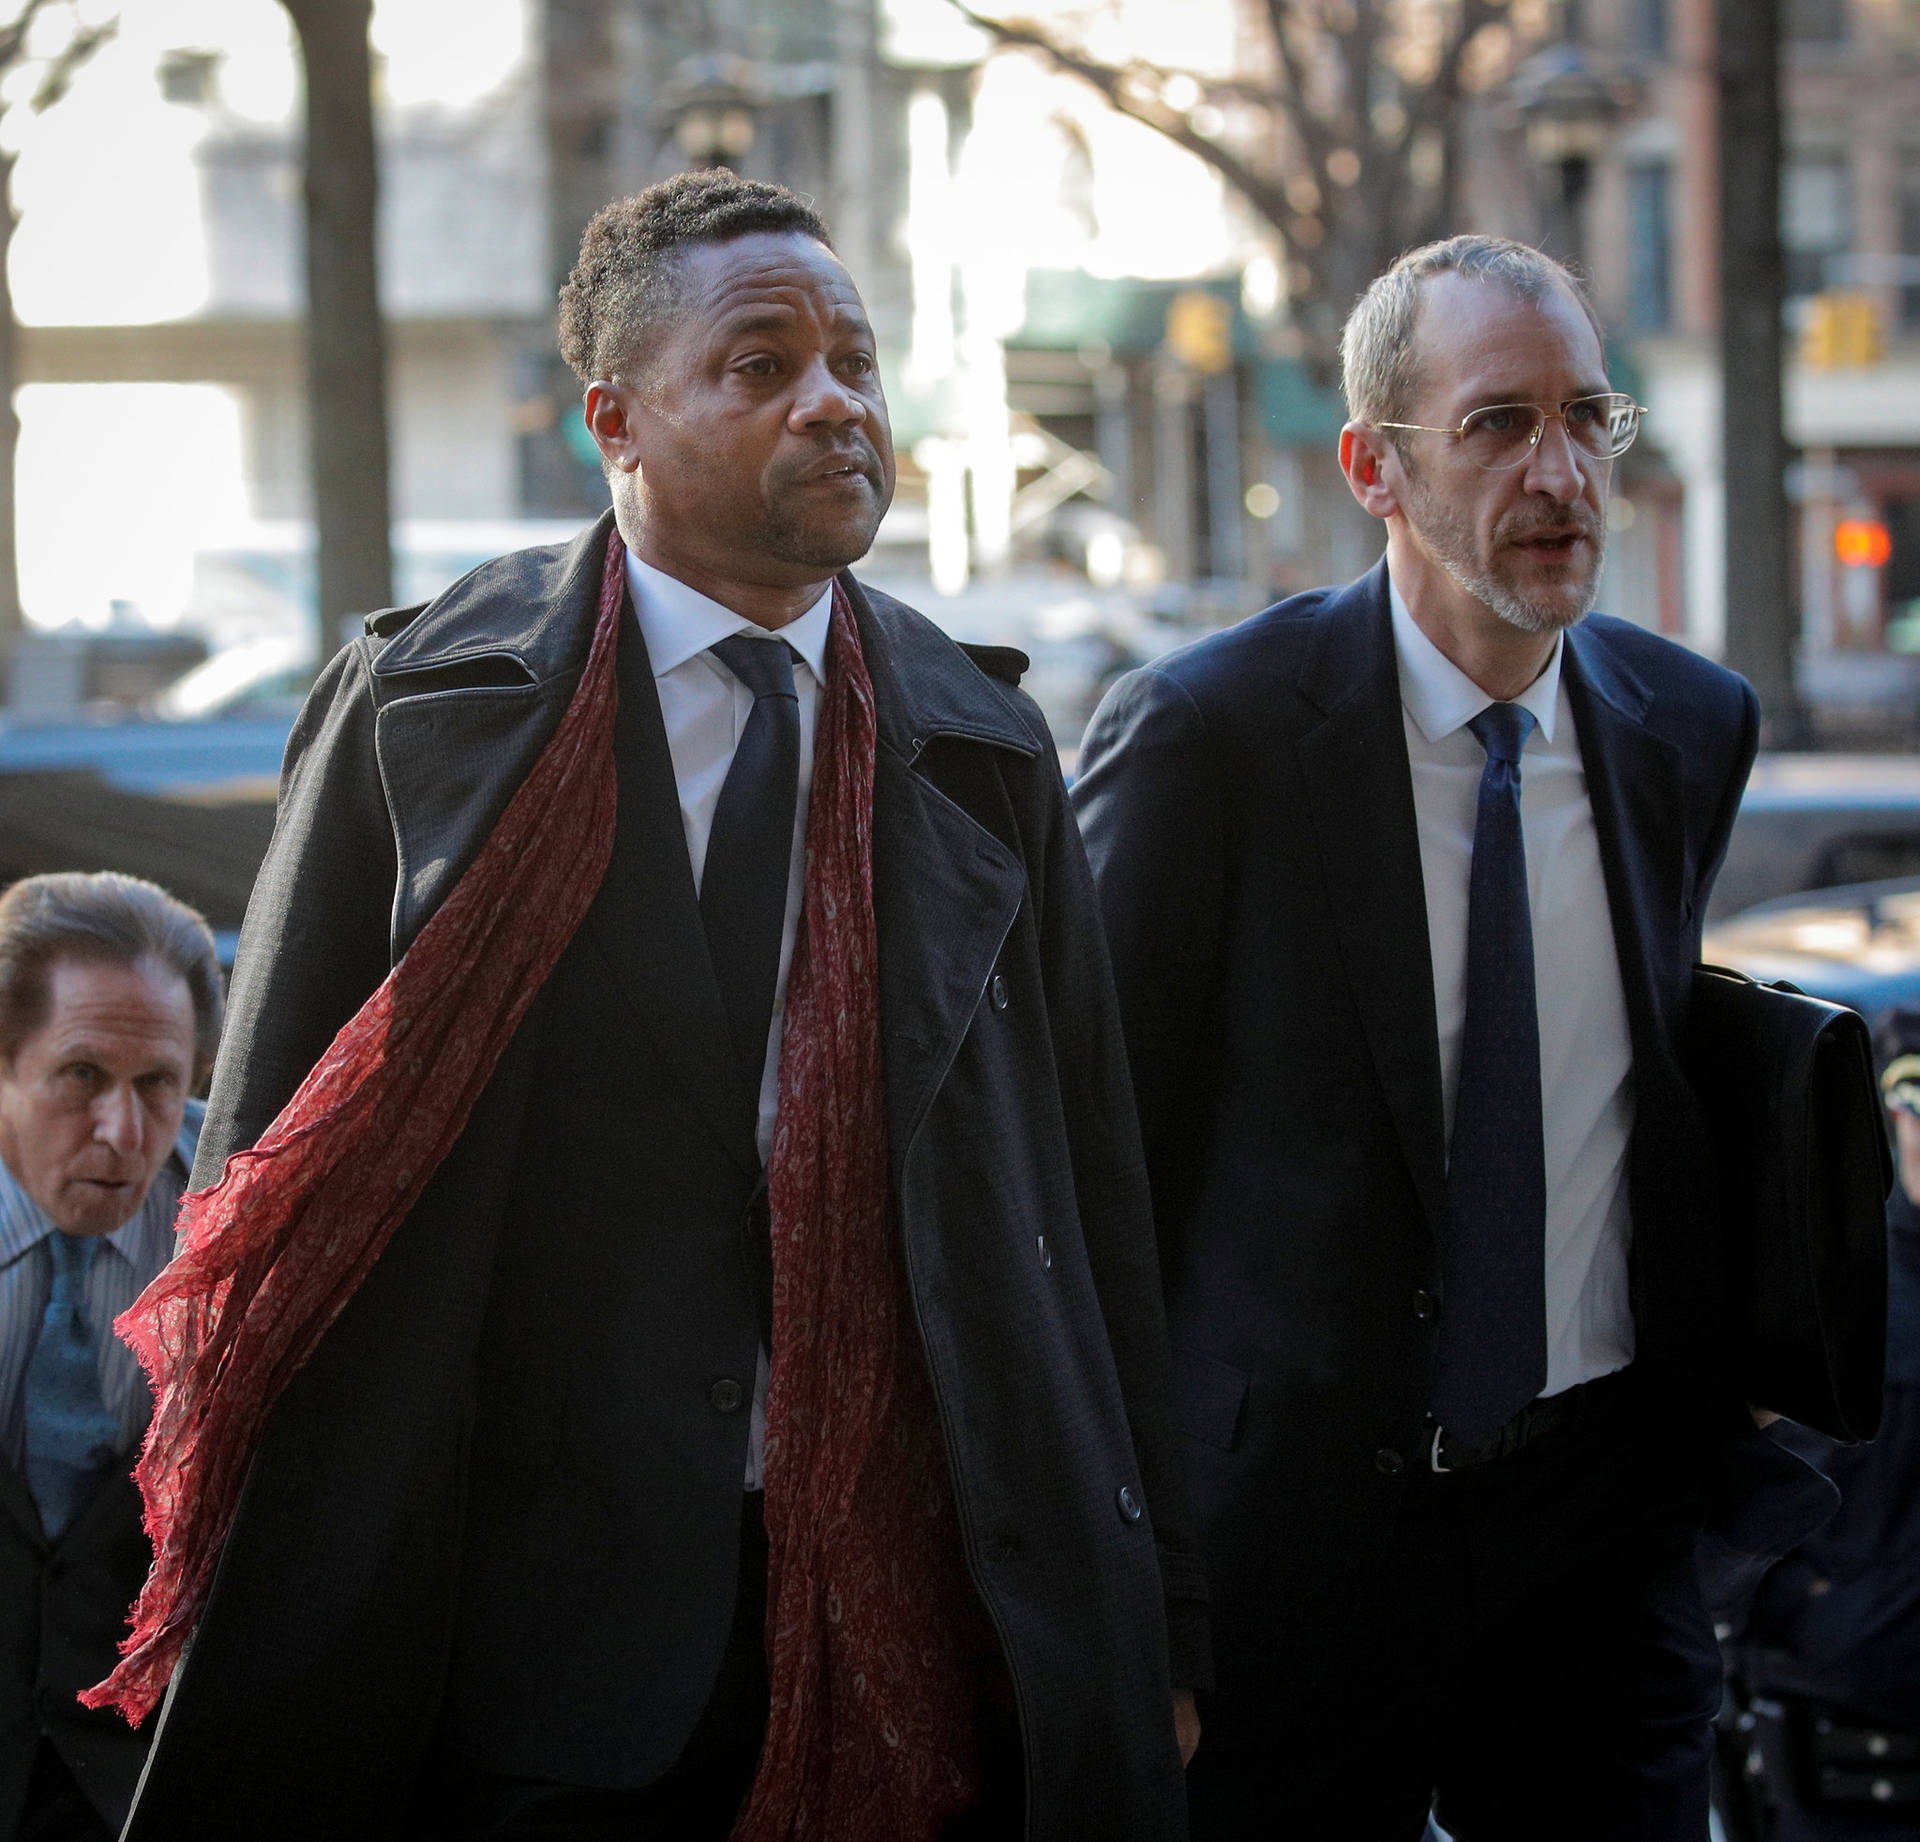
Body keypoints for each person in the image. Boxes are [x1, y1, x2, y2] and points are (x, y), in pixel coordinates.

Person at [96, 171, 1206, 1842]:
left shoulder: (980, 749)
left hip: (905, 1616)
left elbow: (1086, 1205)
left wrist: (1153, 1609)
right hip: (527, 1642)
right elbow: (272, 1179)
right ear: (615, 418)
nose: (833, 399)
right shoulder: (431, 713)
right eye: (761, 365)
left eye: (853, 358)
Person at [1074, 235, 1763, 1840]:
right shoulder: (1209, 736)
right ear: (1372, 465)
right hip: (1289, 1562)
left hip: (1598, 1541)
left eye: (1590, 419)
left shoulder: (1688, 728)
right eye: (1499, 422)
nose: (1561, 470)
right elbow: (1082, 1171)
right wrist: (1141, 1599)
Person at [0, 872, 221, 1842]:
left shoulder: (239, 1218)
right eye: (81, 1076)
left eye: (158, 1085)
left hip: (140, 1784)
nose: (122, 1135)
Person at [1716, 1011, 1920, 1842]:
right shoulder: (1838, 1288)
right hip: (1846, 1767)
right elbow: (1738, 1495)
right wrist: (1828, 1623)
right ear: (1898, 1114)